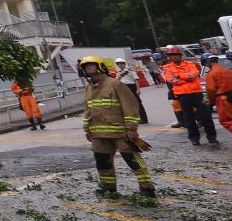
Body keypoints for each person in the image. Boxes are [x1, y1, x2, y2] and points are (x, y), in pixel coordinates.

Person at [78, 56, 156, 201]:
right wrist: (87, 128)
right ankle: (108, 186)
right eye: (86, 67)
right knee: (102, 160)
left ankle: (147, 187)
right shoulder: (89, 88)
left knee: (132, 159)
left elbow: (130, 107)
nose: (88, 69)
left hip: (120, 132)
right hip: (98, 133)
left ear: (101, 67)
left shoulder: (115, 84)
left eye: (91, 65)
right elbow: (88, 109)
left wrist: (131, 129)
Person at [161, 45, 219, 146]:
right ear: (169, 57)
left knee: (206, 116)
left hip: (197, 93)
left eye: (176, 54)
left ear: (180, 55)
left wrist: (179, 76)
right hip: (182, 95)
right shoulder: (167, 68)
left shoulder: (190, 64)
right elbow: (172, 80)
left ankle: (212, 137)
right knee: (189, 118)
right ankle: (194, 138)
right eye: (172, 55)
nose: (174, 56)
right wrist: (186, 78)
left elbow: (194, 75)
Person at [123, 59, 151, 124]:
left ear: (124, 64)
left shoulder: (129, 70)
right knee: (130, 104)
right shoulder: (119, 72)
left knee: (138, 103)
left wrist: (138, 89)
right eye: (118, 64)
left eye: (121, 63)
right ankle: (136, 118)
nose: (120, 65)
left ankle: (144, 119)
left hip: (132, 87)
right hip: (124, 88)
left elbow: (136, 79)